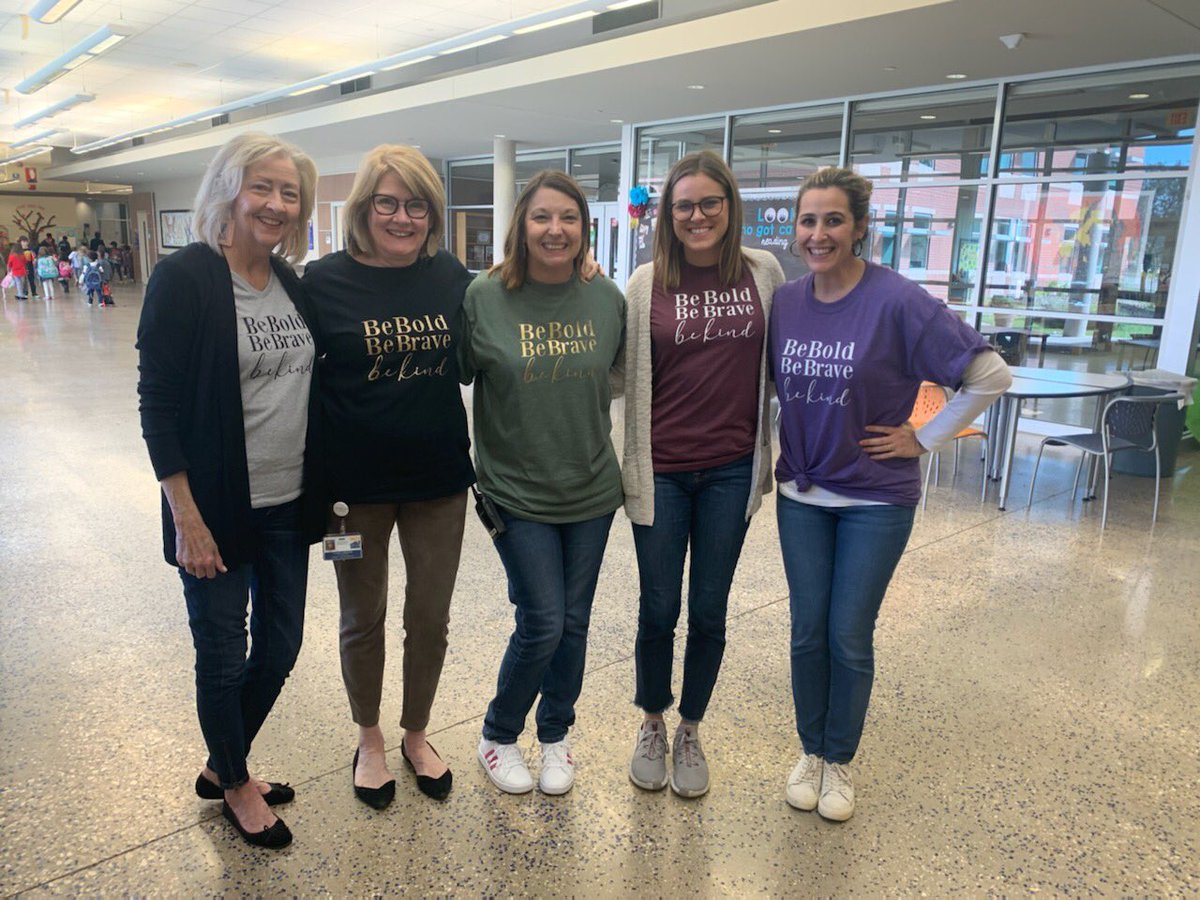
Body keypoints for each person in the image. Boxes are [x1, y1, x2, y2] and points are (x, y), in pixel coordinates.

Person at [771, 167, 1011, 822]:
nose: (819, 234)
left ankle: (839, 759)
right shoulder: (787, 302)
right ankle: (810, 752)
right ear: (795, 230)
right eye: (809, 221)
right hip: (802, 492)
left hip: (877, 497)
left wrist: (925, 437)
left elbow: (990, 374)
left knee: (848, 633)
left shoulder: (899, 301)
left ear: (860, 229)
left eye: (833, 220)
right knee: (805, 632)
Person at [136, 131, 323, 849]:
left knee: (279, 646)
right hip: (214, 504)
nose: (275, 204)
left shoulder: (290, 282)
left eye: (289, 193)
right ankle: (237, 781)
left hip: (289, 502)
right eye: (263, 187)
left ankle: (223, 762)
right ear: (229, 191)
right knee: (220, 651)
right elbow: (158, 405)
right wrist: (185, 517)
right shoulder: (185, 278)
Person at [303, 145, 475, 807]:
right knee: (360, 616)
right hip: (350, 494)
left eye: (417, 205)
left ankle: (415, 731)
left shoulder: (449, 277)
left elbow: (495, 327)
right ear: (364, 208)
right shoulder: (323, 281)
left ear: (431, 214)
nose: (402, 217)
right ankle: (369, 736)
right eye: (388, 203)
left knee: (430, 617)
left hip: (437, 483)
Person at [621, 151, 786, 799]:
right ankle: (653, 720)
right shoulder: (644, 282)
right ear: (668, 215)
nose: (697, 216)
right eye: (684, 205)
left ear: (729, 207)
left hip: (730, 470)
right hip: (660, 470)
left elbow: (786, 361)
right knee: (658, 606)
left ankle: (691, 727)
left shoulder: (763, 272)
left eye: (709, 203)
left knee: (710, 610)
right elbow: (617, 369)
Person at [462, 171, 625, 796]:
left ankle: (555, 733)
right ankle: (499, 734)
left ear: (584, 228)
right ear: (520, 227)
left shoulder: (606, 298)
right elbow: (454, 372)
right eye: (541, 217)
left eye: (569, 218)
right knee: (544, 620)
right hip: (515, 491)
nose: (555, 229)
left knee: (575, 623)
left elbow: (616, 374)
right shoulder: (484, 297)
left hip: (590, 490)